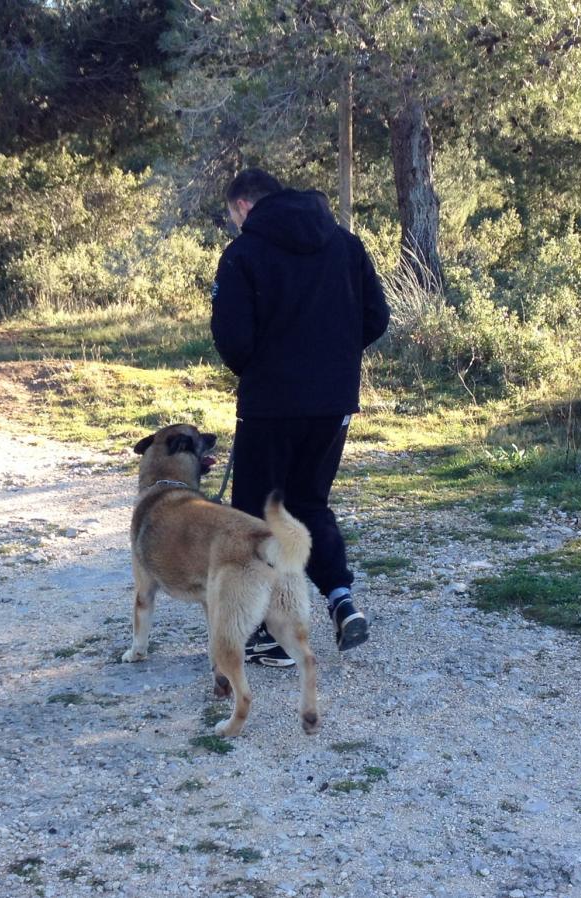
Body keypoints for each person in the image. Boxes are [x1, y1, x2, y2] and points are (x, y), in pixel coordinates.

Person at [210, 168, 389, 667]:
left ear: (243, 206)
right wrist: (332, 359)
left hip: (270, 406)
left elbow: (233, 340)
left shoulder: (243, 254)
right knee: (309, 504)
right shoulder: (346, 245)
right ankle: (341, 598)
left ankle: (270, 634)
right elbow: (376, 318)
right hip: (332, 405)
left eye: (232, 216)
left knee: (255, 516)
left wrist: (260, 367)